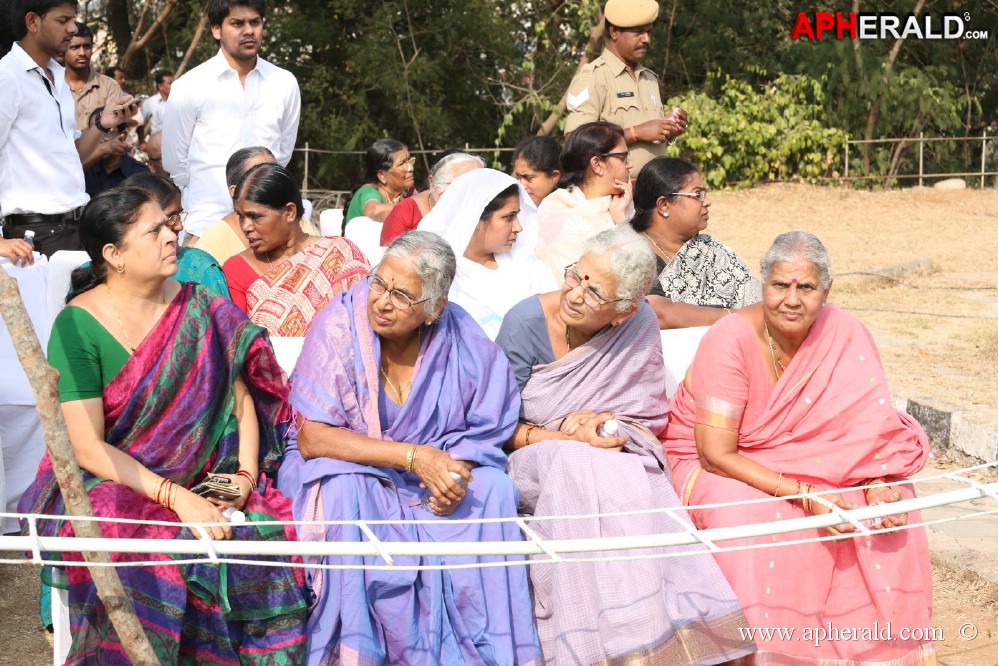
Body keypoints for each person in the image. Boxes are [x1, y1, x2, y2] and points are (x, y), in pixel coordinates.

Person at [17, 185, 307, 664]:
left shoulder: (201, 307)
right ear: (114, 254)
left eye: (170, 224)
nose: (172, 236)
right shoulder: (78, 325)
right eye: (155, 231)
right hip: (114, 477)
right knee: (150, 544)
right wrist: (178, 499)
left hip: (209, 477)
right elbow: (87, 448)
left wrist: (244, 478)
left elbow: (241, 401)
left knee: (260, 532)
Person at [662, 231, 935, 665]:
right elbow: (716, 454)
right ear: (762, 284)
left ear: (827, 290)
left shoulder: (843, 332)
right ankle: (763, 653)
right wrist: (805, 495)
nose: (791, 299)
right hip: (713, 463)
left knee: (891, 504)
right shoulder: (730, 338)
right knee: (758, 515)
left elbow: (864, 432)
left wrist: (878, 481)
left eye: (805, 287)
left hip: (812, 462)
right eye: (779, 286)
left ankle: (871, 651)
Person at [277, 230, 542, 665]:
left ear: (434, 309)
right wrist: (415, 458)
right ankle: (358, 652)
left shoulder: (458, 334)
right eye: (379, 283)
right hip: (347, 462)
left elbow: (489, 420)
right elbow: (313, 438)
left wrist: (453, 470)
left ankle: (489, 650)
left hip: (431, 465)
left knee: (492, 489)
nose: (381, 301)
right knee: (346, 490)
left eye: (402, 296)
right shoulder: (340, 325)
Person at [496, 224, 755, 665]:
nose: (575, 294)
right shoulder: (525, 322)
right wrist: (563, 433)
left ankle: (643, 640)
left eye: (595, 293)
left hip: (609, 457)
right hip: (530, 457)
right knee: (577, 463)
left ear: (622, 312)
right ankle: (603, 642)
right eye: (576, 276)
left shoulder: (639, 323)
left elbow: (644, 415)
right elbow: (495, 427)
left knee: (617, 472)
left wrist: (606, 427)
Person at [0, 0, 138, 255]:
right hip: (35, 236)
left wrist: (101, 123)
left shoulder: (56, 76)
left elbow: (72, 157)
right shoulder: (8, 77)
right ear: (32, 22)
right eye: (63, 21)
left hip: (77, 225)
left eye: (73, 19)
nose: (73, 28)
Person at [162, 0, 301, 243]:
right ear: (217, 30)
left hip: (269, 227)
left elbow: (282, 154)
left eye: (255, 22)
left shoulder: (284, 83)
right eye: (237, 23)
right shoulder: (190, 86)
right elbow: (175, 163)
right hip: (207, 225)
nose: (249, 30)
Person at [222, 162, 369, 335]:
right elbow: (238, 343)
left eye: (255, 216)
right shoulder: (236, 270)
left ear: (290, 212)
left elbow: (366, 325)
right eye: (241, 216)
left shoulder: (340, 254)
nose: (245, 226)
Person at [420, 168, 553, 339]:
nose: (518, 227)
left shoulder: (529, 265)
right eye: (508, 217)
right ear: (475, 219)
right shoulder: (438, 273)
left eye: (517, 216)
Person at [632, 157, 761, 328]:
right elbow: (657, 312)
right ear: (664, 205)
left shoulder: (709, 249)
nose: (707, 202)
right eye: (697, 194)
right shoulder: (631, 251)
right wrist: (735, 317)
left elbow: (758, 302)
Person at [563, 0, 688, 176]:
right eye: (638, 33)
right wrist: (635, 133)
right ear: (614, 32)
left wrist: (669, 130)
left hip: (653, 192)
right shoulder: (593, 77)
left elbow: (651, 141)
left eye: (649, 32)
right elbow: (575, 144)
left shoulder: (650, 79)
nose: (646, 39)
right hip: (614, 195)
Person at [534, 121, 632, 283]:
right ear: (597, 164)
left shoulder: (625, 204)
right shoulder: (556, 206)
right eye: (623, 157)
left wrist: (621, 220)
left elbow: (640, 272)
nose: (630, 164)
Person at [126, 171, 231, 297]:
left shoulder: (198, 268)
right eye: (170, 217)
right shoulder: (113, 270)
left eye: (179, 215)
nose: (179, 226)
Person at [380, 151, 485, 246]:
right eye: (463, 187)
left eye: (481, 186)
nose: (474, 194)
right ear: (433, 183)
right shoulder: (405, 213)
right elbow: (391, 262)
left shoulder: (489, 208)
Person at [194, 145, 276, 263]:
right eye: (260, 178)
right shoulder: (211, 245)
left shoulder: (298, 225)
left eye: (275, 175)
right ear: (234, 191)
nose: (270, 184)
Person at [63, 22, 124, 131]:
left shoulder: (109, 86)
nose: (82, 52)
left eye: (87, 46)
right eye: (75, 47)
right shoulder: (52, 84)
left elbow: (113, 130)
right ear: (63, 49)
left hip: (102, 147)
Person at [343, 138, 414, 228]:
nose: (411, 168)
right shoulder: (368, 192)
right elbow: (374, 210)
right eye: (402, 164)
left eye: (410, 161)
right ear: (382, 175)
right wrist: (413, 208)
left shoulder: (406, 190)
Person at [83, 133, 149, 196]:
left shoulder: (140, 173)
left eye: (108, 132)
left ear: (124, 135)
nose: (101, 139)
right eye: (96, 132)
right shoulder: (84, 169)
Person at [511, 135, 562, 206]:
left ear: (554, 176)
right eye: (519, 177)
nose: (522, 185)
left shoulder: (570, 209)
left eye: (528, 177)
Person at [138, 69, 172, 147]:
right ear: (160, 86)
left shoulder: (180, 101)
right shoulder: (150, 102)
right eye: (170, 83)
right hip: (159, 148)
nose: (174, 86)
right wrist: (142, 143)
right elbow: (140, 122)